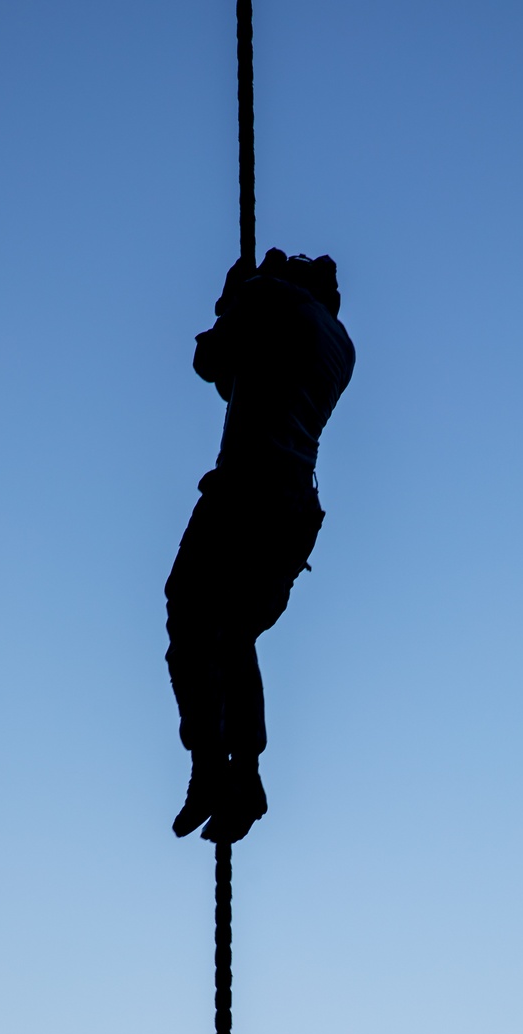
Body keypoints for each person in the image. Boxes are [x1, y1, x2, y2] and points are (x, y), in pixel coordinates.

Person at [165, 247, 356, 842]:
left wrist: (234, 294)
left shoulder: (269, 297)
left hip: (247, 489)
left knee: (191, 618)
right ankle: (242, 775)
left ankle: (208, 769)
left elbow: (209, 362)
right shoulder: (339, 345)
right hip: (295, 506)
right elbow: (239, 382)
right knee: (233, 632)